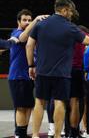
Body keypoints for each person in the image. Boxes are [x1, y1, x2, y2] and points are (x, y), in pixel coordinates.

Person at [26, 0, 89, 138]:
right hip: (61, 74)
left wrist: (31, 65)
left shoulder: (41, 24)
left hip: (42, 71)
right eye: (70, 11)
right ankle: (57, 135)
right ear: (64, 10)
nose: (71, 14)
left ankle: (35, 135)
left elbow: (29, 45)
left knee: (39, 102)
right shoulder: (70, 27)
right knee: (59, 103)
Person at [8, 9, 48, 138]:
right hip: (17, 76)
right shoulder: (17, 33)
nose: (27, 22)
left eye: (29, 20)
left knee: (28, 106)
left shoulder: (33, 39)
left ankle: (23, 132)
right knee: (20, 107)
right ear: (18, 22)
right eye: (24, 20)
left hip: (29, 77)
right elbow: (23, 37)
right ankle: (19, 134)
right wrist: (36, 20)